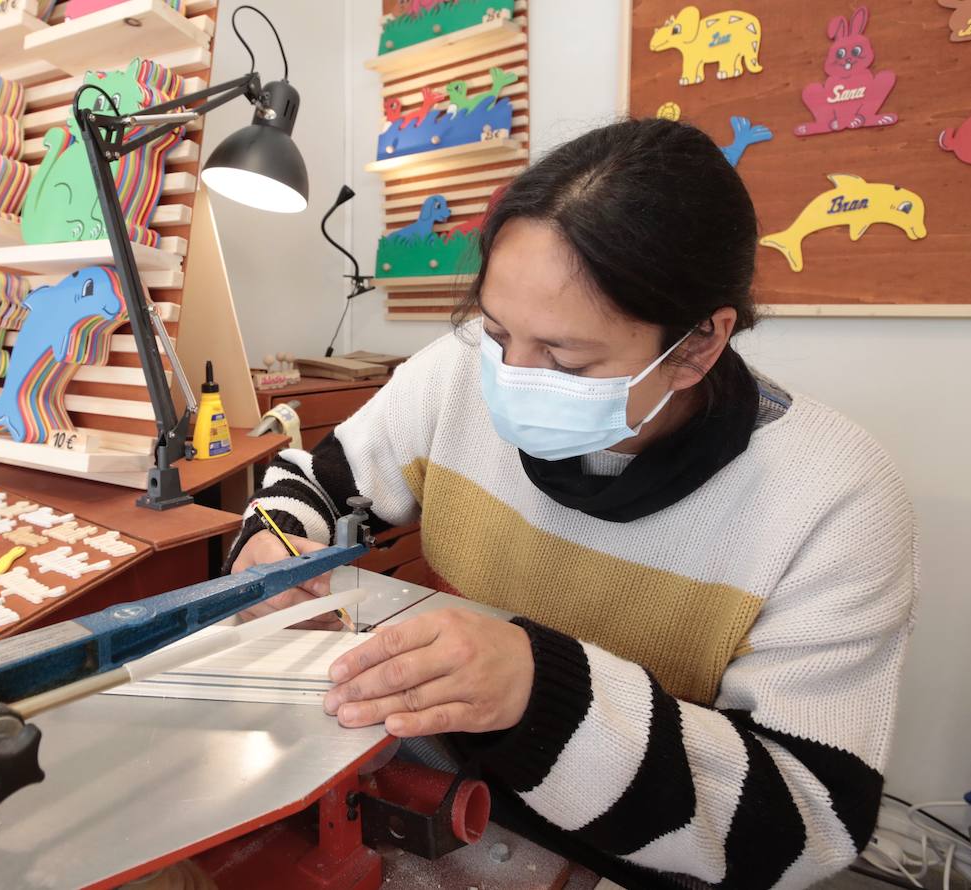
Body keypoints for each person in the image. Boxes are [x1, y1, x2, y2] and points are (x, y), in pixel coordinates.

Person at [229, 119, 916, 890]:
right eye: (495, 329)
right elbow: (319, 479)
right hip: (456, 798)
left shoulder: (835, 497)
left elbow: (810, 821)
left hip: (646, 860)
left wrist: (541, 695)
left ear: (697, 344)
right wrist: (273, 543)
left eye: (564, 356)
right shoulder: (456, 375)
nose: (509, 375)